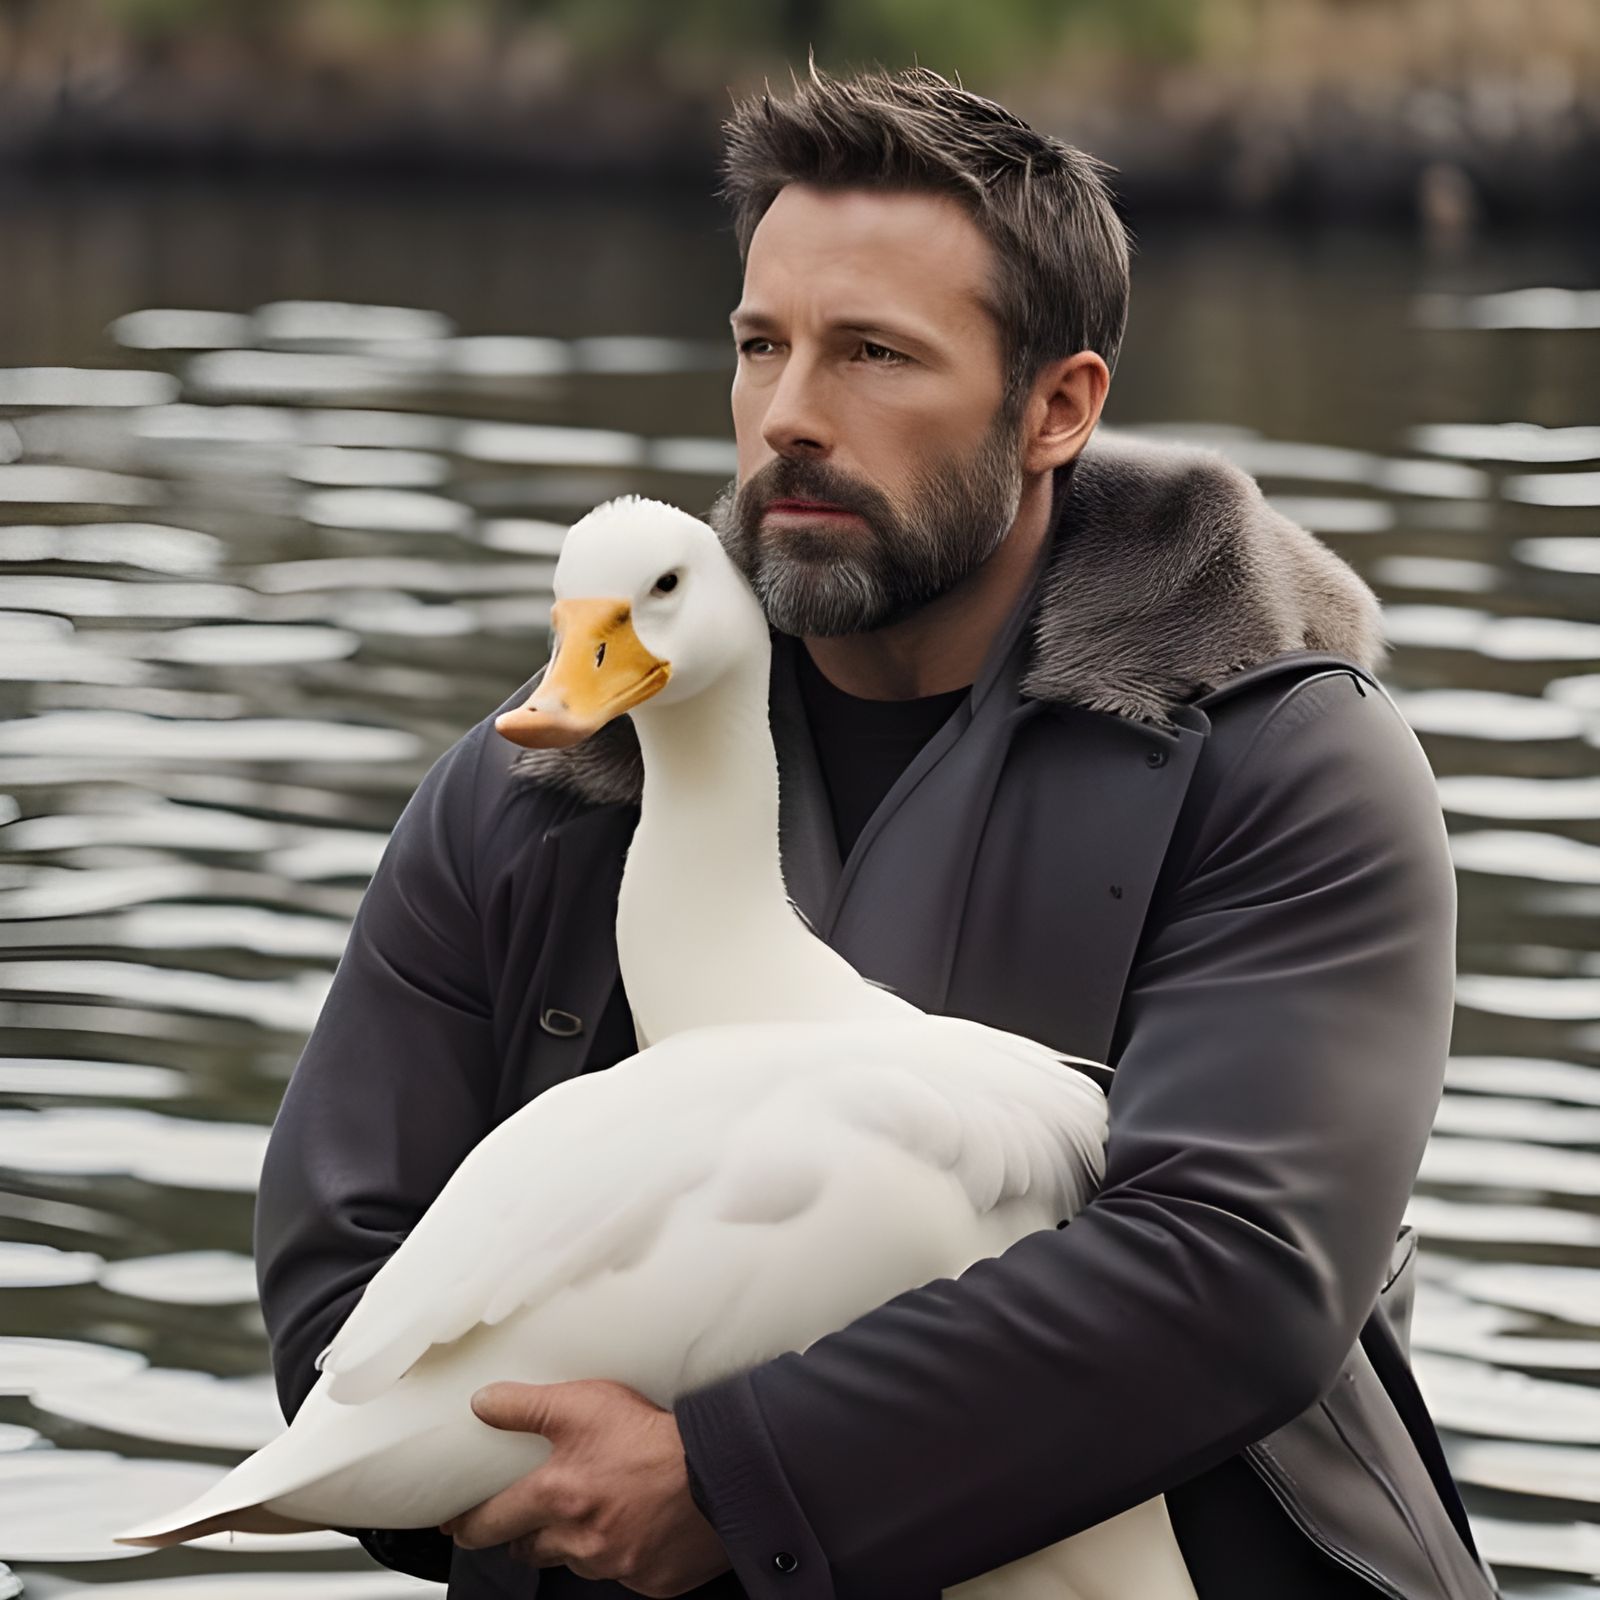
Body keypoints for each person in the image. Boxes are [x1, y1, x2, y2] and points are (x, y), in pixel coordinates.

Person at [254, 64, 1501, 1600]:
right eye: (761, 345)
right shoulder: (535, 787)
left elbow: (1234, 1271)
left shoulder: (1291, 765)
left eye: (872, 356)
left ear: (1059, 407)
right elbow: (340, 1295)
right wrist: (583, 1499)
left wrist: (732, 1479)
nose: (787, 416)